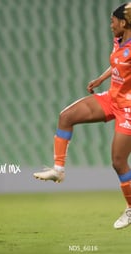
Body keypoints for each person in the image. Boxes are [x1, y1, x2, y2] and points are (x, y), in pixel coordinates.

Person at [34, 3, 131, 229]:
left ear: (123, 23)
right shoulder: (119, 41)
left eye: (113, 21)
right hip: (112, 98)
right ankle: (58, 170)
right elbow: (119, 64)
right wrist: (100, 79)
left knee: (118, 162)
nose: (110, 26)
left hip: (128, 107)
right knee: (66, 116)